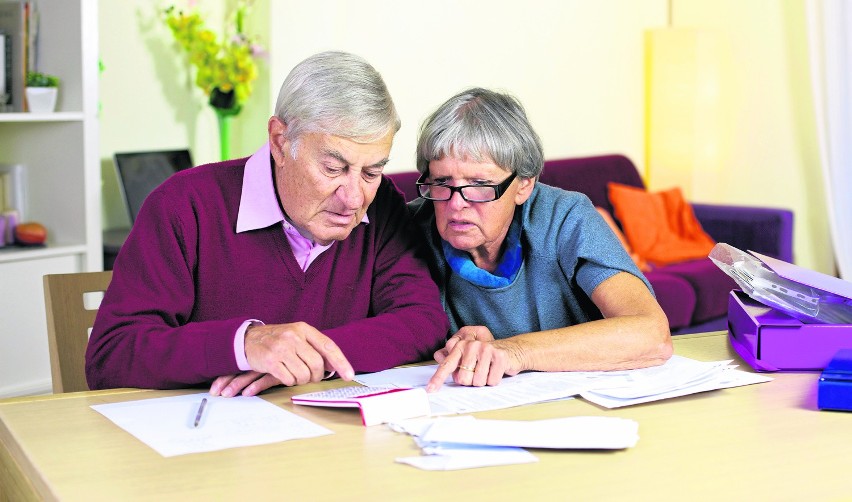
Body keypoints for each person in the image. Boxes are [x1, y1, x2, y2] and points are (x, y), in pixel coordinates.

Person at [86, 51, 449, 396]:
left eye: (371, 171)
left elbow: (421, 321)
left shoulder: (383, 204)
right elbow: (112, 353)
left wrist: (308, 356)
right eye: (333, 168)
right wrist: (243, 345)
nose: (354, 198)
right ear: (279, 141)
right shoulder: (183, 205)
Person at [407, 87, 673, 392]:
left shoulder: (565, 217)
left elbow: (651, 334)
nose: (456, 204)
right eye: (441, 182)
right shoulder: (412, 225)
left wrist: (513, 351)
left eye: (480, 185)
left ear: (523, 186)